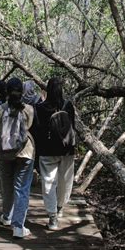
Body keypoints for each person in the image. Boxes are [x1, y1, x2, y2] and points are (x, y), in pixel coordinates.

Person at [0, 78, 36, 238]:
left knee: (7, 185)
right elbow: (31, 127)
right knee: (22, 188)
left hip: (5, 152)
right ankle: (18, 227)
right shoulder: (29, 109)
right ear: (22, 91)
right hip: (25, 152)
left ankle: (6, 217)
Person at [33, 77, 75, 230]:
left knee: (49, 183)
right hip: (67, 149)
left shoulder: (39, 107)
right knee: (65, 182)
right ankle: (60, 207)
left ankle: (52, 218)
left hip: (47, 150)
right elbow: (73, 126)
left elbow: (37, 131)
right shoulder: (68, 105)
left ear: (47, 90)